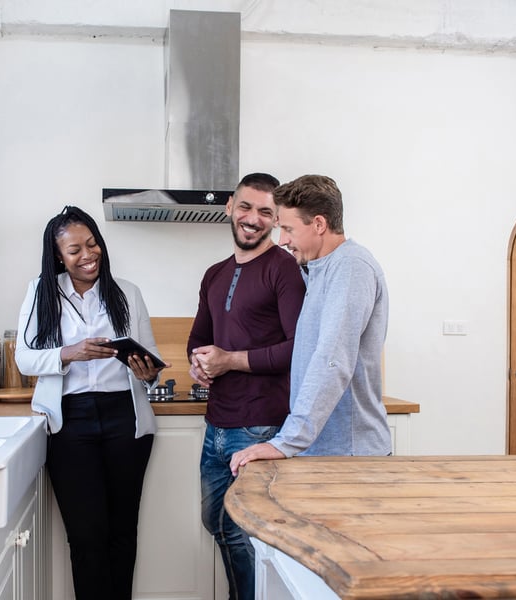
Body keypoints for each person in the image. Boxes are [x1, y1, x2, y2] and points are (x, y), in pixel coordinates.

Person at [15, 205, 168, 600]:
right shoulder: (42, 291)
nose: (87, 255)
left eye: (92, 243)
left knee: (122, 533)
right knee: (86, 536)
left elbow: (150, 359)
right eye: (74, 250)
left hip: (125, 420)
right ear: (58, 257)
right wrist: (70, 353)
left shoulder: (127, 293)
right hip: (71, 423)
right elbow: (25, 357)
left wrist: (147, 371)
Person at [187, 172, 306, 600]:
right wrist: (198, 364)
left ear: (276, 221)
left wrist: (229, 360)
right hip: (217, 423)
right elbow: (198, 337)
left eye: (265, 212)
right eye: (245, 207)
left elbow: (298, 348)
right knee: (216, 523)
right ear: (229, 207)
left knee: (250, 533)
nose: (252, 218)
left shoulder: (286, 269)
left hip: (262, 427)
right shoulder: (214, 274)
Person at [230, 174, 391, 476]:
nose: (282, 241)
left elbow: (333, 360)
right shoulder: (319, 270)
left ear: (319, 224)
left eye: (288, 229)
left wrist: (287, 441)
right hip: (325, 452)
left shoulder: (351, 267)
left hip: (349, 456)